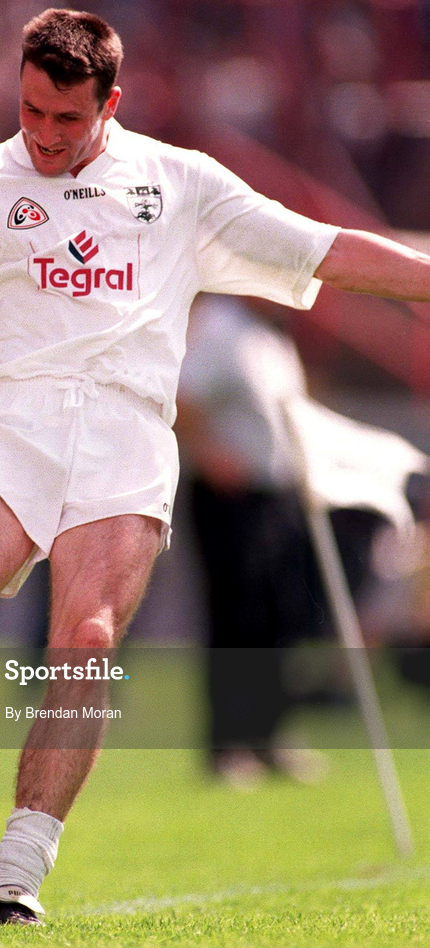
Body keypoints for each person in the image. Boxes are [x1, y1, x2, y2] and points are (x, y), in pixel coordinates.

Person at [0, 8, 430, 925]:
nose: (45, 135)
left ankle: (15, 877)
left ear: (112, 102)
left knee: (88, 643)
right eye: (30, 112)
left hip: (128, 435)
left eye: (68, 119)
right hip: (6, 425)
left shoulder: (180, 183)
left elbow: (324, 251)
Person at [176, 295, 374, 788]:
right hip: (232, 495)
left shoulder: (272, 336)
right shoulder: (221, 326)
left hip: (278, 494)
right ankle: (228, 745)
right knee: (237, 617)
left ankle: (269, 735)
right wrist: (210, 453)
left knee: (281, 615)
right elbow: (184, 398)